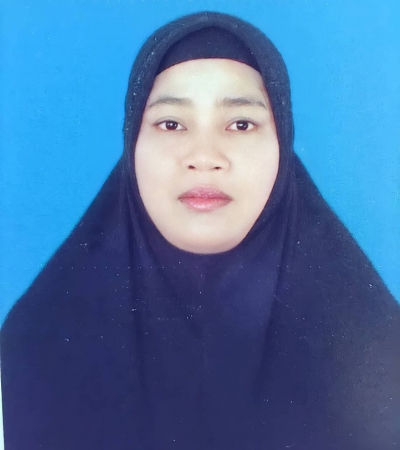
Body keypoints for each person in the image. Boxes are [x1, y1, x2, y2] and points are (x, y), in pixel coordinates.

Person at [1, 11, 399, 450]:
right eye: (171, 124)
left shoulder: (380, 360)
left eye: (241, 124)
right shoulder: (25, 358)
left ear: (282, 144)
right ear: (132, 144)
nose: (204, 156)